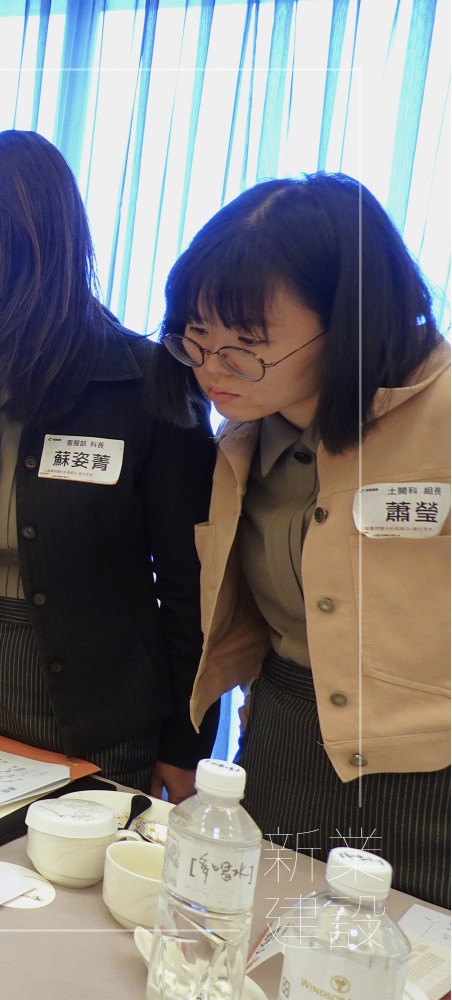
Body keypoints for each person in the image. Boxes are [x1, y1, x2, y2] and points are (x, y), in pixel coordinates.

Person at [0, 130, 217, 797]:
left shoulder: (146, 380)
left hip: (106, 717)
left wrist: (186, 745)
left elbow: (194, 589)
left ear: (23, 242)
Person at [147, 173, 449, 905]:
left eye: (246, 346)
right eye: (196, 339)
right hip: (283, 749)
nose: (212, 370)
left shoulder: (439, 414)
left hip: (430, 777)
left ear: (347, 322)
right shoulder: (246, 438)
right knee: (264, 942)